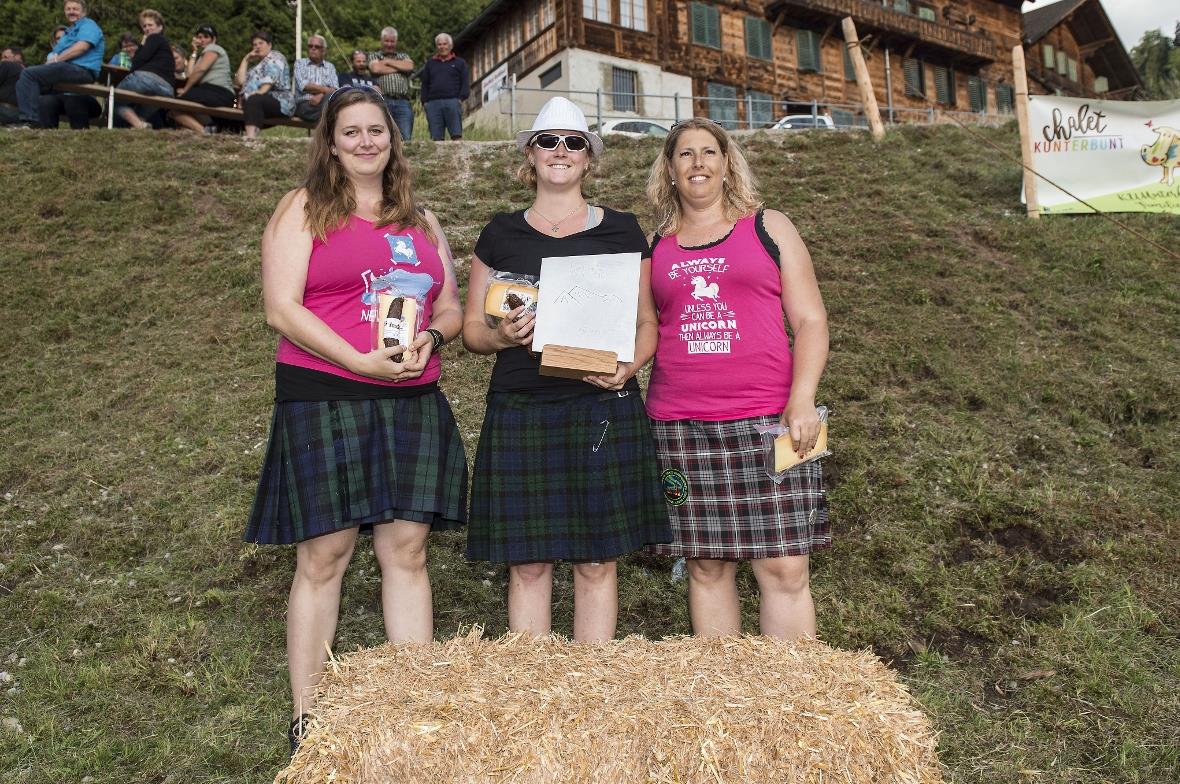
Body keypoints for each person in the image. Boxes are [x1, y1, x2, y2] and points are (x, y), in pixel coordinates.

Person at [246, 84, 468, 753]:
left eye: (378, 130)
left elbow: (451, 306)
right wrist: (358, 361)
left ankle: (413, 702)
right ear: (331, 142)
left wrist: (434, 337)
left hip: (410, 396)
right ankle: (309, 714)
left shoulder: (420, 220)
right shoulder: (304, 208)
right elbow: (281, 308)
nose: (368, 142)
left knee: (407, 551)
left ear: (393, 139)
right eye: (353, 132)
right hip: (327, 393)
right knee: (324, 555)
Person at [461, 97, 671, 641]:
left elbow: (648, 323)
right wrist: (501, 334)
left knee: (597, 561)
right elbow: (471, 333)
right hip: (521, 405)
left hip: (600, 402)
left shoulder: (623, 231)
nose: (561, 151)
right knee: (528, 563)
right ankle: (536, 693)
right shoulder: (499, 234)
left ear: (589, 158)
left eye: (573, 142)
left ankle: (590, 692)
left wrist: (630, 368)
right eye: (548, 141)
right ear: (529, 155)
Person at [642, 118, 830, 640]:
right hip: (679, 425)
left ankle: (789, 694)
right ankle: (729, 701)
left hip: (775, 420)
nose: (698, 163)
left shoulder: (769, 226)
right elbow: (643, 329)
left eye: (709, 152)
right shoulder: (655, 245)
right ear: (670, 170)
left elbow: (811, 321)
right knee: (706, 565)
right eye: (685, 154)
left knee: (785, 567)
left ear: (727, 165)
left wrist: (804, 400)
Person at [15, 0, 104, 127]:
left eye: (75, 9)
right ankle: (32, 123)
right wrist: (46, 66)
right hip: (66, 69)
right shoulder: (69, 32)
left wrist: (56, 60)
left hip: (82, 71)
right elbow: (54, 54)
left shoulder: (88, 25)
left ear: (83, 12)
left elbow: (82, 47)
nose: (71, 12)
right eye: (68, 9)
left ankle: (30, 121)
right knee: (26, 77)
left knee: (29, 74)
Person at [114, 9, 175, 130]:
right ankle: (140, 127)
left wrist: (142, 44)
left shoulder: (154, 38)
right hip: (167, 90)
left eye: (150, 25)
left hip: (147, 80)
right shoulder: (165, 45)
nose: (147, 28)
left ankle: (139, 126)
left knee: (113, 98)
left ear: (160, 27)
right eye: (144, 26)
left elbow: (139, 60)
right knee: (139, 114)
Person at [171, 24, 234, 133]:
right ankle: (208, 128)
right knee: (174, 107)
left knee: (176, 103)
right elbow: (191, 75)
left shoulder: (214, 48)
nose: (202, 40)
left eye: (206, 37)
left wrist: (185, 90)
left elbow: (201, 71)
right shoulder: (203, 55)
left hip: (219, 92)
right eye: (200, 37)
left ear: (213, 39)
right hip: (211, 92)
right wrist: (194, 51)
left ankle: (204, 132)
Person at [235, 30, 293, 139]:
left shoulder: (275, 57)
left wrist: (258, 93)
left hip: (281, 101)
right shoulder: (255, 68)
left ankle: (251, 138)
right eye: (254, 44)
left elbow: (270, 79)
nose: (257, 47)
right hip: (258, 102)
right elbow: (239, 81)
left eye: (261, 43)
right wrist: (246, 59)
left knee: (254, 100)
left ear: (269, 45)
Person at [419, 33, 468, 142]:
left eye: (445, 44)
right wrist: (425, 102)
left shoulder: (460, 63)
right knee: (436, 138)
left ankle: (458, 158)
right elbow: (425, 84)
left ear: (450, 46)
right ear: (437, 46)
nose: (442, 47)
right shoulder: (430, 64)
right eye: (439, 44)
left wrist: (460, 99)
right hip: (433, 103)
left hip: (453, 101)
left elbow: (465, 82)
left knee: (456, 135)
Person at [367, 27, 414, 142]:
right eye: (387, 41)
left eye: (392, 41)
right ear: (381, 41)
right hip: (382, 101)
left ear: (396, 42)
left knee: (405, 137)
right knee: (382, 136)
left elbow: (409, 66)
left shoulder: (403, 56)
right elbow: (376, 69)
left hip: (403, 102)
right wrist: (399, 68)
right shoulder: (374, 55)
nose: (389, 44)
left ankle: (404, 159)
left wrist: (387, 62)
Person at [292, 34, 338, 124]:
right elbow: (304, 86)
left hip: (324, 103)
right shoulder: (299, 63)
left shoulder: (330, 67)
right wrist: (325, 90)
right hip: (305, 103)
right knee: (332, 112)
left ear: (323, 51)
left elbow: (334, 89)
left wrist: (321, 96)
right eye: (310, 46)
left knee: (333, 100)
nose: (313, 48)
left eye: (317, 46)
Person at [0, 55, 22, 124]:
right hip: (20, 115)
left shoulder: (6, 65)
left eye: (5, 57)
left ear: (17, 57)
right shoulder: (27, 70)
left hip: (7, 110)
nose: (2, 59)